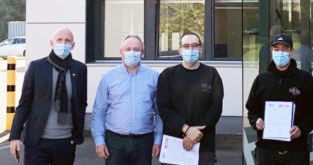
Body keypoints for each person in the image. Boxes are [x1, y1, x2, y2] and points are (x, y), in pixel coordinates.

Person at [9, 28, 87, 165]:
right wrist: (15, 136)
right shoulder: (37, 67)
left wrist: (77, 134)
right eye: (59, 40)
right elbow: (24, 103)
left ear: (73, 45)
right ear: (52, 43)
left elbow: (81, 103)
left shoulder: (79, 69)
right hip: (37, 141)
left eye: (67, 40)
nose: (63, 43)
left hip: (65, 141)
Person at [246, 33, 313, 165]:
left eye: (284, 49)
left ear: (291, 51)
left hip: (296, 150)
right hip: (266, 150)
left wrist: (302, 128)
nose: (280, 53)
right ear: (271, 51)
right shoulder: (261, 80)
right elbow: (252, 109)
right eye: (276, 49)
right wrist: (256, 121)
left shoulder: (305, 79)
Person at [91, 34, 162, 164]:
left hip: (144, 141)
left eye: (136, 49)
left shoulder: (154, 77)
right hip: (115, 141)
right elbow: (99, 111)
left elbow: (159, 112)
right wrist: (99, 140)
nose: (132, 52)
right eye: (128, 49)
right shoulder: (108, 77)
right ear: (121, 52)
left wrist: (158, 140)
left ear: (142, 53)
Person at [156, 32, 224, 165]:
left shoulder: (211, 74)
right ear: (180, 50)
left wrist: (196, 133)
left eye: (194, 46)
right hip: (175, 143)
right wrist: (186, 129)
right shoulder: (167, 75)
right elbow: (163, 108)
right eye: (186, 46)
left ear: (201, 49)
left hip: (203, 144)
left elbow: (216, 108)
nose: (190, 49)